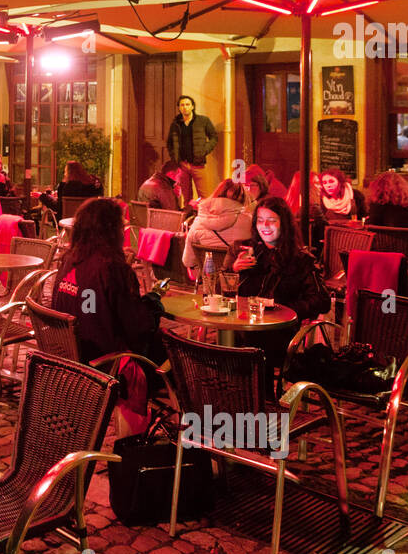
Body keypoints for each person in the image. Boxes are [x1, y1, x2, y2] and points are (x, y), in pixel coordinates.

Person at [51, 197, 167, 436]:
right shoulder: (112, 269)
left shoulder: (69, 261)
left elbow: (94, 308)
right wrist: (154, 302)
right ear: (111, 230)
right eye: (121, 226)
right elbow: (139, 327)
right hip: (107, 362)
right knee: (174, 350)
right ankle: (139, 444)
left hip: (72, 355)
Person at [231, 196, 330, 368]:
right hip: (242, 325)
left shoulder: (300, 260)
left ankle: (258, 391)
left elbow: (322, 301)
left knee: (251, 347)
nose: (265, 226)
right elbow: (218, 294)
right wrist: (233, 272)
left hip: (277, 333)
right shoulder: (246, 252)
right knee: (221, 342)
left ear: (283, 224)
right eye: (260, 221)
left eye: (271, 221)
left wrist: (283, 310)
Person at [181, 179, 254, 273]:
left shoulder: (198, 222)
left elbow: (188, 262)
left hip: (208, 277)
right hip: (239, 276)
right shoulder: (249, 221)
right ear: (243, 198)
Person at [166, 95, 218, 202]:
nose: (185, 107)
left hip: (198, 164)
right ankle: (189, 217)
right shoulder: (176, 124)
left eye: (187, 104)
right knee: (186, 197)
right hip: (183, 165)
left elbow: (214, 137)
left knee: (204, 197)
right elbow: (170, 142)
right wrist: (175, 157)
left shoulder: (203, 121)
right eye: (182, 105)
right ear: (179, 108)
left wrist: (204, 150)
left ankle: (203, 218)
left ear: (192, 106)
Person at [39, 160, 103, 222]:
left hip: (68, 223)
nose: (64, 174)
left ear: (68, 173)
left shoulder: (65, 187)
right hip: (88, 222)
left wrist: (44, 197)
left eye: (65, 172)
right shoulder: (93, 186)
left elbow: (59, 208)